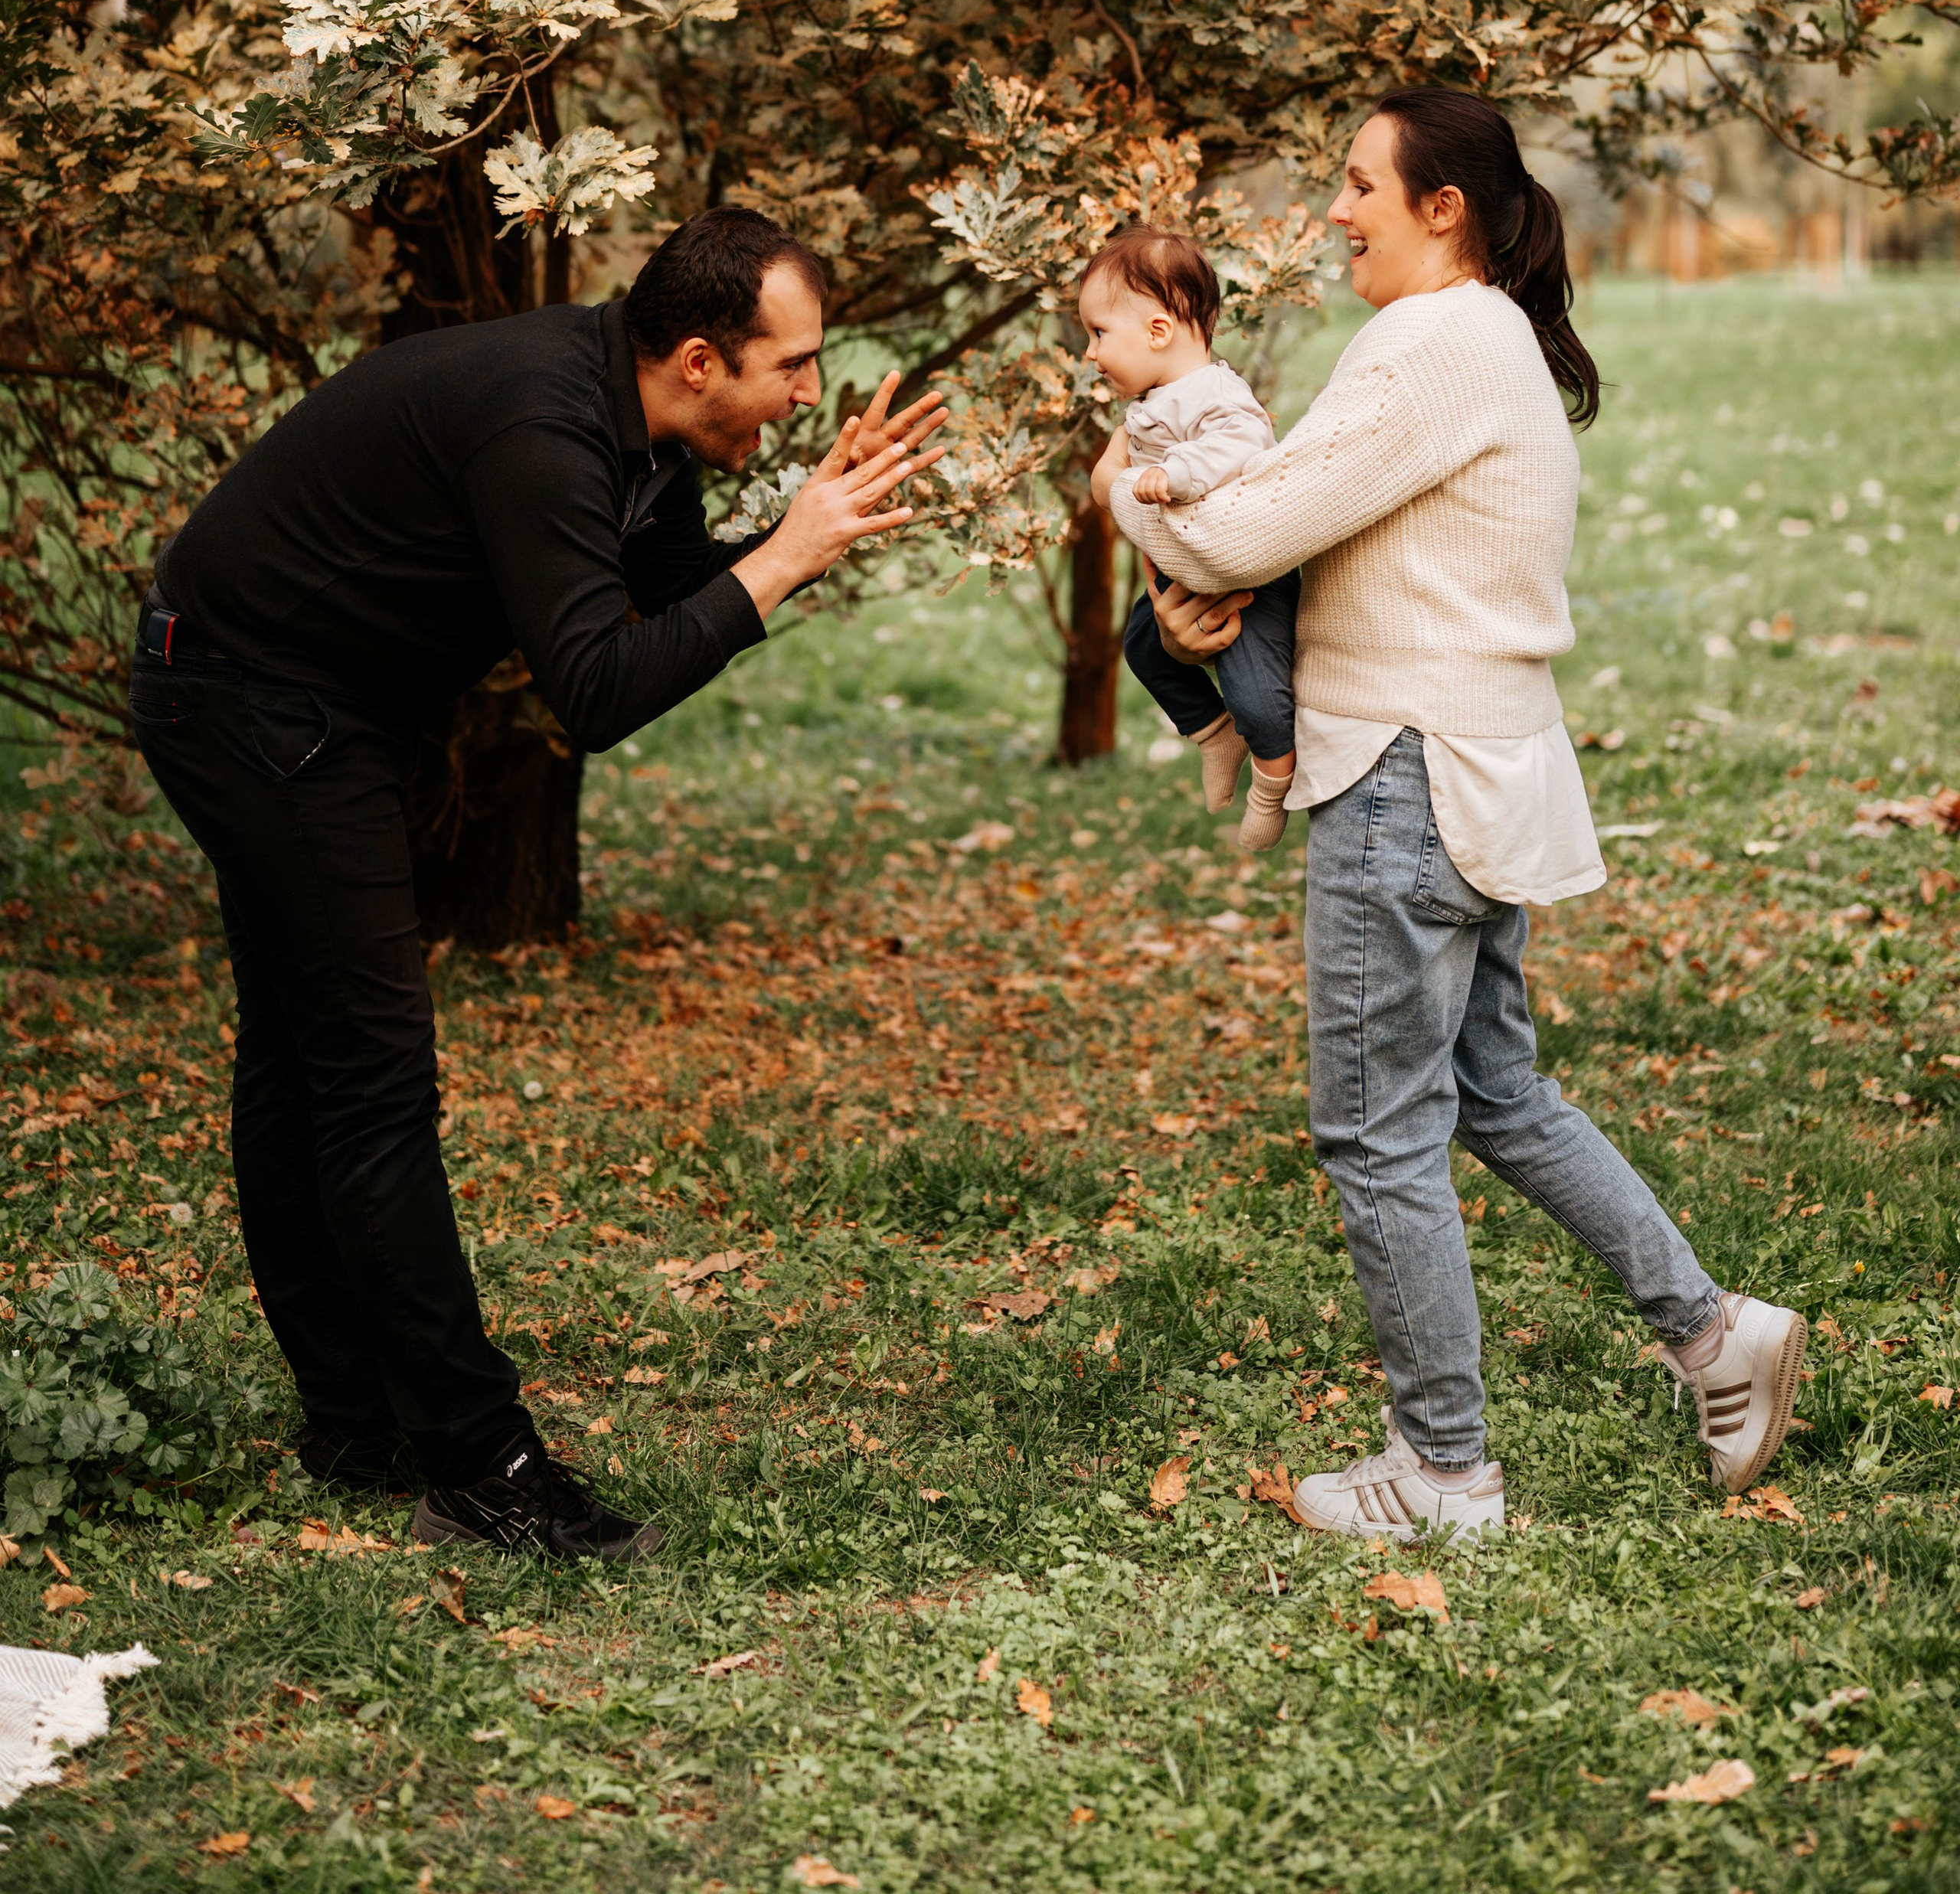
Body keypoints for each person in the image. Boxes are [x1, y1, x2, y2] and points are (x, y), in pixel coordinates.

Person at [129, 209, 942, 1562]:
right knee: (372, 1085)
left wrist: (804, 532)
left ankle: (355, 1421)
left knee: (302, 1061)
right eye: (792, 368)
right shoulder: (543, 429)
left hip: (306, 706)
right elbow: (599, 689)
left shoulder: (633, 424)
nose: (810, 396)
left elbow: (673, 588)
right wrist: (788, 551)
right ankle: (481, 1465)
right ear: (697, 358)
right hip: (251, 703)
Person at [1107, 90, 1806, 1543]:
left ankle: (1444, 1473)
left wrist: (1129, 496)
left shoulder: (1433, 341)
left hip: (1405, 780)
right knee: (1497, 1094)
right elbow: (1299, 531)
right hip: (1477, 773)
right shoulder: (1484, 345)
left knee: (1377, 1133)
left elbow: (1241, 525)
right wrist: (1200, 618)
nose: (1338, 212)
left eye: (1361, 184)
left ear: (1445, 207)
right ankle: (1713, 1332)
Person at [1080, 228, 1301, 852]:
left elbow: (1242, 443)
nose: (1090, 355)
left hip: (1248, 583)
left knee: (1259, 696)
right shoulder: (1154, 398)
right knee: (1143, 648)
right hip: (1182, 573)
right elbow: (1108, 479)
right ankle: (1214, 732)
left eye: (1099, 334)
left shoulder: (1216, 394)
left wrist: (1171, 475)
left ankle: (1271, 790)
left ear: (1157, 332)